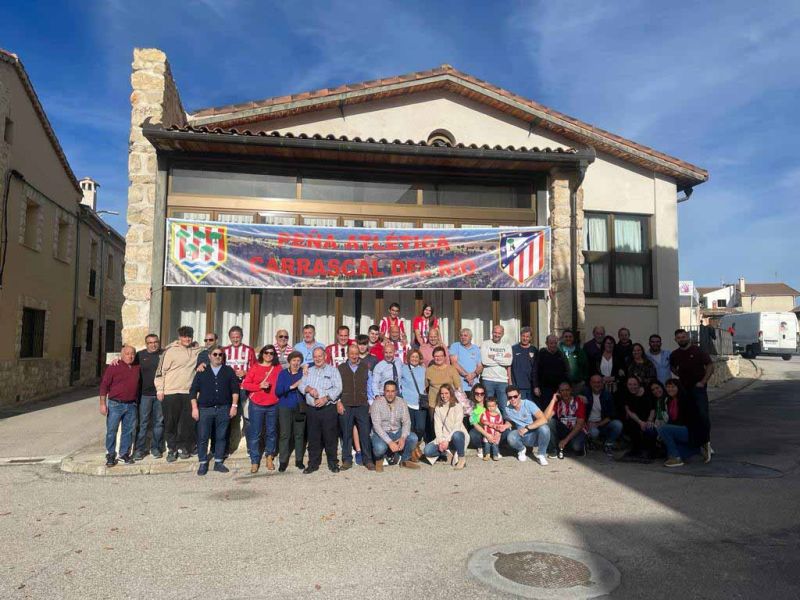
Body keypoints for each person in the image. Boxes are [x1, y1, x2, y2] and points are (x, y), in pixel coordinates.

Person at [154, 326, 203, 462]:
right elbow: (160, 371)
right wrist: (160, 389)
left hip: (188, 392)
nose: (187, 339)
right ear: (179, 337)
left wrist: (203, 362)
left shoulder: (196, 351)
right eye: (184, 336)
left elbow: (211, 350)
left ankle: (182, 447)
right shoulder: (170, 351)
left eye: (189, 336)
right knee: (170, 422)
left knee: (186, 423)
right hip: (171, 392)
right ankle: (172, 449)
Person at [189, 345, 239, 475]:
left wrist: (234, 406)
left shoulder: (228, 371)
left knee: (221, 436)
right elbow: (193, 391)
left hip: (224, 409)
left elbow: (235, 390)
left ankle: (218, 462)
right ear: (210, 356)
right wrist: (194, 408)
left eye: (220, 354)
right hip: (205, 409)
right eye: (215, 354)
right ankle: (203, 463)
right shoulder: (202, 371)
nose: (218, 357)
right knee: (203, 437)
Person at [670, 328, 713, 458]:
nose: (681, 339)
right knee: (688, 417)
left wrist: (703, 381)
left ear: (687, 337)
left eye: (683, 337)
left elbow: (710, 366)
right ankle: (694, 442)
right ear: (675, 340)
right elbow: (672, 367)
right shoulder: (675, 354)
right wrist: (680, 376)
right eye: (678, 338)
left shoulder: (698, 351)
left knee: (702, 415)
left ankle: (706, 443)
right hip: (684, 390)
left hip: (698, 389)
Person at [298, 347, 343, 474]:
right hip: (312, 410)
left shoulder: (333, 371)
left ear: (325, 357)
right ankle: (313, 464)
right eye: (315, 356)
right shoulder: (309, 371)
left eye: (320, 356)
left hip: (328, 408)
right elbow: (301, 385)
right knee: (313, 438)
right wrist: (308, 389)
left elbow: (338, 388)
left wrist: (326, 398)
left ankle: (333, 463)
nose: (317, 359)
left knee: (330, 438)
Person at [241, 345, 281, 473]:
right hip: (257, 405)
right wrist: (259, 386)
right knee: (255, 434)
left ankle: (269, 457)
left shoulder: (277, 368)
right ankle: (254, 460)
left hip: (273, 405)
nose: (269, 355)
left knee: (271, 432)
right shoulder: (255, 367)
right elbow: (245, 384)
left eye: (271, 353)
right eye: (266, 353)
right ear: (262, 354)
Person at [99, 345, 140, 466]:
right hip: (115, 404)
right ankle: (110, 454)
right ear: (121, 355)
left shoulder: (137, 367)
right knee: (112, 430)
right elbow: (104, 386)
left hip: (131, 404)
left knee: (128, 431)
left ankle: (123, 454)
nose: (130, 356)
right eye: (127, 353)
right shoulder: (114, 366)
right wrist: (102, 404)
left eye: (132, 353)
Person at [337, 344, 376, 471]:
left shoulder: (366, 368)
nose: (354, 356)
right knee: (346, 433)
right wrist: (338, 402)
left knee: (365, 433)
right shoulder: (340, 368)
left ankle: (367, 460)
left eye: (356, 353)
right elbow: (337, 387)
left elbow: (369, 386)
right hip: (346, 404)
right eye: (351, 353)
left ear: (359, 354)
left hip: (362, 404)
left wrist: (371, 403)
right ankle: (347, 460)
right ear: (347, 354)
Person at [656, 378, 708, 467]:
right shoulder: (669, 401)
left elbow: (692, 420)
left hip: (691, 430)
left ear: (678, 387)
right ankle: (698, 448)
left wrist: (667, 430)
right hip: (682, 430)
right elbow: (672, 420)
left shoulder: (686, 399)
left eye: (673, 387)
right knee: (670, 452)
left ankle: (676, 458)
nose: (670, 389)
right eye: (668, 387)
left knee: (663, 429)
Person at [370, 380, 420, 471]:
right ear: (384, 391)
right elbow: (377, 426)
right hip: (382, 433)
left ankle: (405, 460)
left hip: (397, 431)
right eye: (387, 391)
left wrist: (403, 437)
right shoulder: (377, 403)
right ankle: (379, 459)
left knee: (413, 438)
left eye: (393, 391)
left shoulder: (402, 402)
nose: (390, 394)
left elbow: (406, 422)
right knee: (379, 448)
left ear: (396, 392)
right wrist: (390, 442)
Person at [223, 325, 256, 457]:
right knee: (228, 419)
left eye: (238, 337)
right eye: (233, 337)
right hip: (229, 390)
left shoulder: (249, 350)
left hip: (244, 390)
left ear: (242, 337)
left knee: (248, 419)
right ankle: (227, 448)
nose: (235, 339)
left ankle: (250, 448)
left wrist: (246, 372)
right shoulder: (224, 350)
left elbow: (255, 370)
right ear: (229, 338)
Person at [133, 334, 164, 461]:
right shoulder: (140, 355)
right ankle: (140, 449)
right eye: (150, 342)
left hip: (160, 394)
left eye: (155, 342)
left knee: (159, 423)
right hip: (145, 395)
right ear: (146, 344)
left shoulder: (164, 354)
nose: (153, 344)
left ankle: (156, 448)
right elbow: (127, 363)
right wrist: (116, 360)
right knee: (143, 423)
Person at [275, 350, 307, 472]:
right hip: (285, 407)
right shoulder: (283, 374)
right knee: (285, 435)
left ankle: (299, 460)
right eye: (294, 360)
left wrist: (306, 366)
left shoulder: (303, 373)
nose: (296, 363)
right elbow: (278, 391)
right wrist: (292, 386)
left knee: (299, 435)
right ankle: (283, 461)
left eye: (298, 361)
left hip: (299, 407)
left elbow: (315, 364)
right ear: (289, 361)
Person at [423, 384, 468, 469]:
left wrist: (447, 441)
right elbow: (438, 427)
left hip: (456, 435)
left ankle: (461, 458)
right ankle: (447, 453)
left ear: (451, 393)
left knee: (457, 435)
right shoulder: (438, 408)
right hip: (444, 438)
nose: (444, 396)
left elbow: (457, 426)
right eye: (442, 393)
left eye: (446, 393)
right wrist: (441, 442)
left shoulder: (457, 406)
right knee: (427, 450)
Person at [503, 385, 550, 465]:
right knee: (510, 436)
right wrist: (503, 426)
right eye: (510, 397)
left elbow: (543, 419)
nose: (513, 399)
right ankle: (521, 449)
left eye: (515, 396)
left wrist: (527, 428)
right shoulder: (508, 409)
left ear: (520, 395)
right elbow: (511, 422)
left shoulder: (528, 404)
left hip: (535, 434)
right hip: (521, 435)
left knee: (544, 428)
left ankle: (541, 454)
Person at [584, 374, 623, 457]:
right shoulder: (585, 393)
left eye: (599, 382)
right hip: (588, 423)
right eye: (594, 382)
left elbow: (611, 415)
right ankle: (591, 441)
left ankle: (608, 444)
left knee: (618, 424)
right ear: (590, 383)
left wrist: (598, 424)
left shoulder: (607, 395)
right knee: (594, 432)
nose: (596, 385)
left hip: (602, 423)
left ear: (602, 383)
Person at [620, 375, 657, 460]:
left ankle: (649, 451)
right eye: (630, 384)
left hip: (650, 417)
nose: (632, 387)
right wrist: (640, 422)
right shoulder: (626, 393)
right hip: (637, 418)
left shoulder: (647, 391)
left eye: (635, 384)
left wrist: (649, 420)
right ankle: (636, 450)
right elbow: (629, 411)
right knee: (631, 424)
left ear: (639, 384)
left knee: (649, 428)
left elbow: (653, 408)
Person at [547, 382, 587, 459]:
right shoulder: (558, 403)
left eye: (567, 390)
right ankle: (554, 451)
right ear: (558, 392)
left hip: (577, 431)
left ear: (571, 390)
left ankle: (581, 446)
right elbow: (545, 418)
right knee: (550, 422)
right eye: (562, 390)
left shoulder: (579, 401)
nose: (565, 393)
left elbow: (579, 425)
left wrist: (565, 440)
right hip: (565, 430)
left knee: (576, 447)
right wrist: (553, 400)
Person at [480, 325, 513, 415]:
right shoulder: (485, 344)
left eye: (499, 333)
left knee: (504, 406)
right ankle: (488, 426)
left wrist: (492, 356)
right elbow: (485, 361)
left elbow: (508, 362)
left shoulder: (507, 346)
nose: (497, 335)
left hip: (502, 380)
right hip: (488, 379)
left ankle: (505, 427)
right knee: (488, 406)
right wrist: (502, 358)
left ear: (502, 334)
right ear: (492, 332)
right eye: (495, 332)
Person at [400, 348, 428, 447]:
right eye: (412, 357)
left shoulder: (423, 369)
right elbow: (399, 383)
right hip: (407, 402)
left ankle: (418, 442)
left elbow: (427, 383)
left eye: (416, 357)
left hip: (420, 403)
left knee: (420, 427)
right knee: (410, 427)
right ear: (408, 358)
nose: (414, 359)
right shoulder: (403, 368)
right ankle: (412, 448)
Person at [534, 334, 568, 410]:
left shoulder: (560, 355)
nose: (553, 345)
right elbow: (535, 371)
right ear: (546, 343)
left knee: (558, 409)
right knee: (546, 409)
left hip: (558, 388)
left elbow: (565, 371)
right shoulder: (541, 354)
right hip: (544, 388)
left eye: (555, 343)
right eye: (551, 343)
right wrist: (536, 386)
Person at [449, 328, 483, 394]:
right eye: (461, 335)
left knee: (474, 404)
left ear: (471, 337)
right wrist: (467, 376)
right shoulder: (455, 346)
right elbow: (454, 363)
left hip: (474, 386)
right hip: (459, 386)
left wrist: (473, 375)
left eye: (465, 335)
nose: (463, 337)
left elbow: (480, 366)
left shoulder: (476, 348)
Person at [511, 327, 538, 401]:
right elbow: (509, 367)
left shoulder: (534, 350)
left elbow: (537, 369)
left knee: (531, 409)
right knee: (520, 409)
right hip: (517, 386)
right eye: (523, 336)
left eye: (527, 336)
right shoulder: (513, 349)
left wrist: (536, 386)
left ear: (530, 338)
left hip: (531, 387)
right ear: (520, 336)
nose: (525, 338)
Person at [559, 329, 588, 394]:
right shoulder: (558, 351)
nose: (568, 338)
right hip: (562, 385)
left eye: (570, 337)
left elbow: (585, 366)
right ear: (562, 338)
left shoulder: (580, 351)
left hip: (577, 385)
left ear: (573, 338)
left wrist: (583, 380)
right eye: (566, 337)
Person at [479, 396, 504, 461]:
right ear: (486, 406)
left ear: (496, 406)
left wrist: (498, 433)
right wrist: (490, 424)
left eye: (493, 406)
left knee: (495, 445)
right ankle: (487, 454)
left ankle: (495, 455)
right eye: (489, 406)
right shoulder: (485, 414)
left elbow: (500, 425)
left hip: (495, 434)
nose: (491, 408)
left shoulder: (499, 416)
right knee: (487, 445)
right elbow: (482, 420)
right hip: (487, 433)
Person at [467, 384, 487, 457]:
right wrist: (486, 434)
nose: (479, 395)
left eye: (482, 393)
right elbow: (474, 424)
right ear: (473, 394)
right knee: (472, 434)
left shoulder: (489, 404)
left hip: (490, 427)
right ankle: (480, 447)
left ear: (484, 394)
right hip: (479, 429)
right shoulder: (471, 407)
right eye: (477, 393)